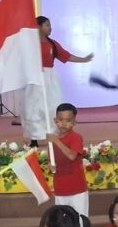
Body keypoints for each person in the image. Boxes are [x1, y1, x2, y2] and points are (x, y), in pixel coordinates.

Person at [24, 16, 93, 148]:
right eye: (47, 25)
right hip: (35, 79)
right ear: (38, 27)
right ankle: (34, 138)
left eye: (50, 25)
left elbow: (66, 56)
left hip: (50, 78)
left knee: (53, 106)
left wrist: (84, 59)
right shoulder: (30, 44)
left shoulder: (52, 44)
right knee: (34, 108)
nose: (50, 28)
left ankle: (54, 135)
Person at [47, 102, 89, 223]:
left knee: (80, 222)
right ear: (55, 121)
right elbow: (51, 161)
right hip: (60, 189)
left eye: (68, 120)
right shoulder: (52, 141)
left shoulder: (76, 137)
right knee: (63, 223)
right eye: (60, 120)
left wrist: (56, 140)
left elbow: (72, 156)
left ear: (74, 122)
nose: (64, 124)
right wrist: (51, 166)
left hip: (77, 190)